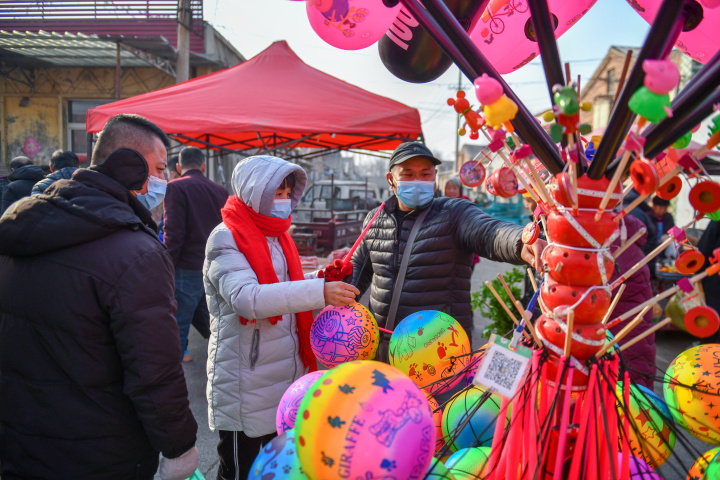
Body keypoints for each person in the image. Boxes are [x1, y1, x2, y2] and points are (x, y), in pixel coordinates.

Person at [0, 114, 198, 480]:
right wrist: (179, 446)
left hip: (20, 443)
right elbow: (154, 369)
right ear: (129, 167)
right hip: (101, 452)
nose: (165, 181)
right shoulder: (136, 253)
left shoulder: (20, 226)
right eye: (158, 168)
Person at [204, 155, 360, 479]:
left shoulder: (279, 235)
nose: (284, 201)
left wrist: (323, 277)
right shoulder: (226, 237)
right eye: (277, 193)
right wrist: (319, 291)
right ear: (254, 192)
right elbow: (248, 299)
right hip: (244, 380)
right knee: (238, 470)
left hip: (283, 376)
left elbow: (284, 286)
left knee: (277, 466)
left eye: (288, 193)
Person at [349, 142, 544, 349]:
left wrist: (520, 241)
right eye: (408, 174)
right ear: (391, 180)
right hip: (382, 345)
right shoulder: (375, 219)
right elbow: (357, 269)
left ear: (434, 180)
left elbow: (489, 231)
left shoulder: (453, 213)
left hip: (437, 350)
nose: (418, 181)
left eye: (425, 174)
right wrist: (330, 288)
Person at [164, 146, 229, 362]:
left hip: (186, 268)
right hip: (213, 267)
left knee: (178, 329)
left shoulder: (175, 188)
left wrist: (167, 267)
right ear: (203, 165)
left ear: (179, 167)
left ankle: (170, 381)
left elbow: (173, 233)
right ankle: (229, 362)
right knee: (212, 322)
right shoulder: (220, 191)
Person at [608, 215, 656, 389]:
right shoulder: (619, 239)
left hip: (624, 343)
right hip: (622, 340)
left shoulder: (616, 246)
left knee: (627, 402)